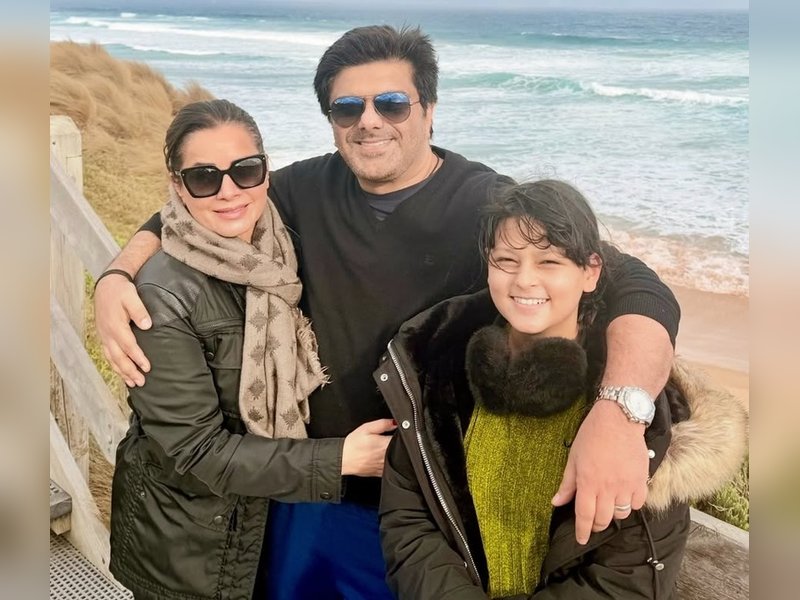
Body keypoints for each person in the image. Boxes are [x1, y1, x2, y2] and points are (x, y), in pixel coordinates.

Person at [95, 26, 680, 598]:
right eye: (348, 108)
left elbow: (635, 286)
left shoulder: (486, 204)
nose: (369, 121)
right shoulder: (299, 189)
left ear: (429, 110)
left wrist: (619, 414)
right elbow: (196, 205)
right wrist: (117, 275)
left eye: (392, 103)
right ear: (331, 121)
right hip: (309, 490)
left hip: (428, 505)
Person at [376, 180, 748, 599]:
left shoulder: (639, 412)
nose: (524, 280)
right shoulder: (438, 371)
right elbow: (409, 519)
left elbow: (624, 578)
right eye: (506, 260)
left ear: (591, 271)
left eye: (549, 261)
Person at [107, 99, 387, 599]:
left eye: (245, 170)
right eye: (203, 177)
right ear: (177, 186)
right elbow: (196, 452)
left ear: (266, 172)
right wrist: (343, 458)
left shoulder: (283, 244)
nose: (228, 191)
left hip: (273, 523)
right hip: (193, 546)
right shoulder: (161, 295)